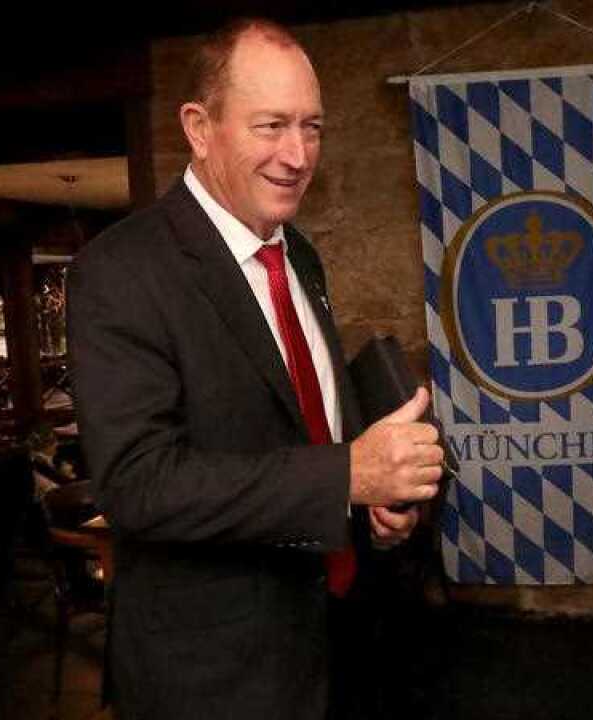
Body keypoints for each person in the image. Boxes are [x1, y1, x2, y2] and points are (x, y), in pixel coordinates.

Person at [68, 18, 443, 720]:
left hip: (336, 637)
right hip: (212, 675)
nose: (298, 155)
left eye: (313, 127)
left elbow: (300, 418)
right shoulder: (120, 271)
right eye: (270, 126)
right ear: (199, 127)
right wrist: (347, 475)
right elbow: (137, 484)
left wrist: (374, 500)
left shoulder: (298, 253)